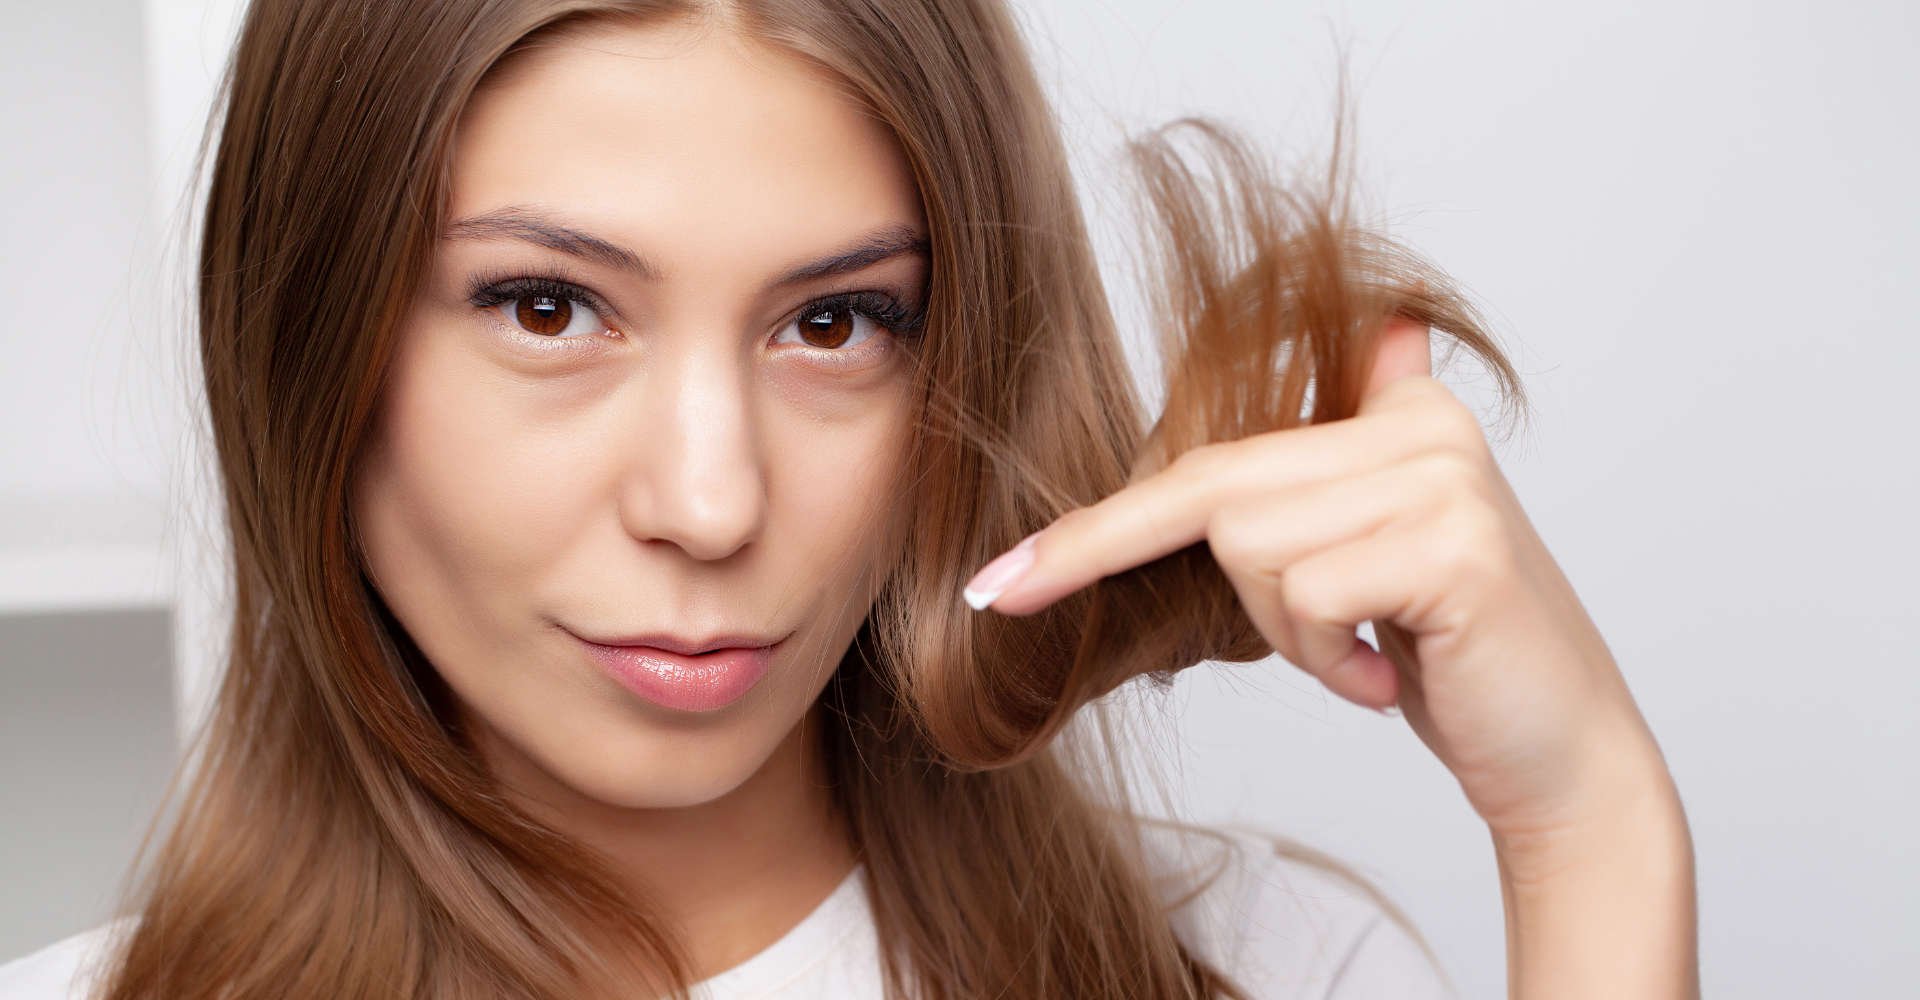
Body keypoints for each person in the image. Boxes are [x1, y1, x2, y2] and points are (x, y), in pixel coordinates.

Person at [0, 1, 1698, 997]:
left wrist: (1592, 832)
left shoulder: (1258, 970)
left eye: (835, 324)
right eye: (548, 307)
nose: (708, 499)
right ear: (312, 345)